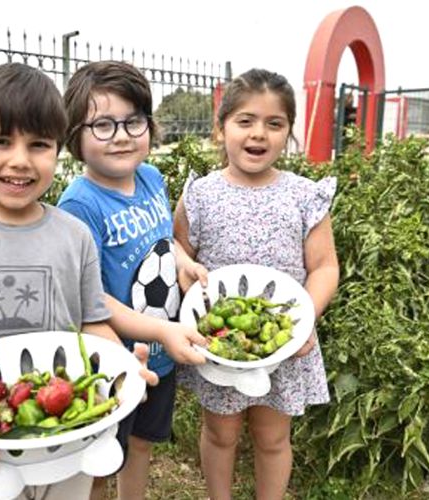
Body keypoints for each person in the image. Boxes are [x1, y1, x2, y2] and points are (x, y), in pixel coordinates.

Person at [0, 62, 158, 500]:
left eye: (38, 145)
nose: (20, 161)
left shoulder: (74, 235)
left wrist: (121, 367)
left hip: (66, 423)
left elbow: (93, 320)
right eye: (0, 141)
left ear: (57, 151)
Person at [173, 68, 340, 500]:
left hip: (281, 342)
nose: (258, 134)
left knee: (272, 437)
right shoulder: (201, 194)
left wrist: (304, 320)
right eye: (244, 121)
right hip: (222, 341)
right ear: (221, 127)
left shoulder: (305, 196)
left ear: (289, 132)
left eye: (274, 123)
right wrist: (185, 273)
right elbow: (178, 250)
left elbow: (324, 267)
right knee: (220, 433)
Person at [56, 60, 208, 500]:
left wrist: (182, 261)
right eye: (102, 124)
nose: (121, 135)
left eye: (133, 121)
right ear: (75, 138)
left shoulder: (151, 178)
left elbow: (163, 237)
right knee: (102, 459)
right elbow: (92, 297)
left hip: (162, 354)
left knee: (141, 444)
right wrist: (162, 329)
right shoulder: (79, 206)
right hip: (114, 362)